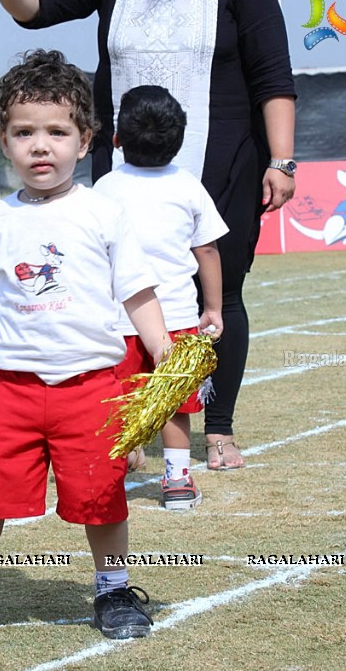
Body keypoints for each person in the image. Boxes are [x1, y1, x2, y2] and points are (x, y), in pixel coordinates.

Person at [0, 50, 172, 648]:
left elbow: (139, 294)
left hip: (94, 390)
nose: (40, 146)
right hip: (13, 395)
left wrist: (168, 356)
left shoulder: (104, 211)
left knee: (101, 497)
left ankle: (114, 589)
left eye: (57, 132)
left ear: (86, 139)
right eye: (24, 133)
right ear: (4, 139)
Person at [0, 0, 297, 470]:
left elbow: (272, 74)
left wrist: (281, 160)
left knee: (219, 298)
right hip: (124, 172)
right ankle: (124, 429)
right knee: (114, 296)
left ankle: (218, 430)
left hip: (223, 162)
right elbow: (38, 9)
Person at [94, 85, 227, 509]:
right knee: (174, 403)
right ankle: (177, 481)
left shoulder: (106, 188)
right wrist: (214, 309)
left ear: (117, 137)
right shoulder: (188, 186)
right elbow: (206, 250)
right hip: (176, 318)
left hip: (119, 319)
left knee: (117, 396)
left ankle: (111, 474)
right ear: (180, 138)